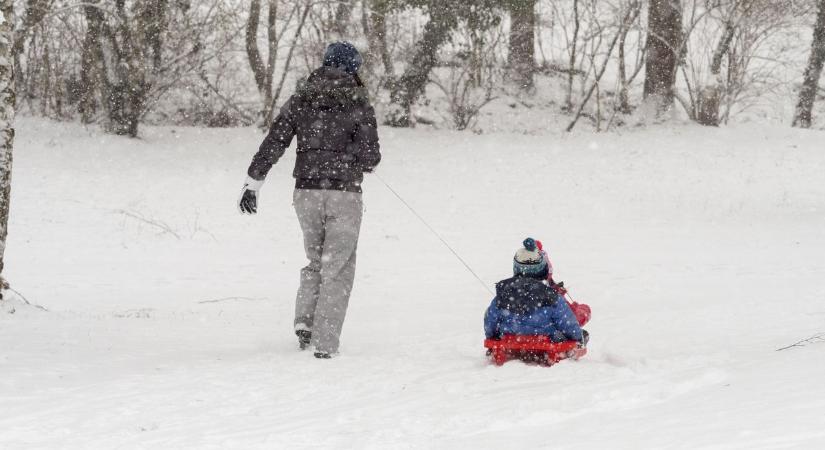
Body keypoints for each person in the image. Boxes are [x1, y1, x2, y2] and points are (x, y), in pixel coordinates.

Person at [238, 42, 381, 359]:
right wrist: (350, 155)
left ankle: (305, 323)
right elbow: (372, 158)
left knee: (317, 261)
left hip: (306, 193)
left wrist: (254, 181)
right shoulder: (359, 104)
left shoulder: (302, 98)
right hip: (344, 194)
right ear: (353, 69)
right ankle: (326, 342)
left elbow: (275, 141)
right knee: (339, 267)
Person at [484, 238, 587, 345]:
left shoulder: (504, 295)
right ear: (542, 269)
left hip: (510, 340)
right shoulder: (552, 297)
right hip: (545, 342)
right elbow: (569, 326)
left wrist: (492, 336)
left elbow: (490, 322)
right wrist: (579, 337)